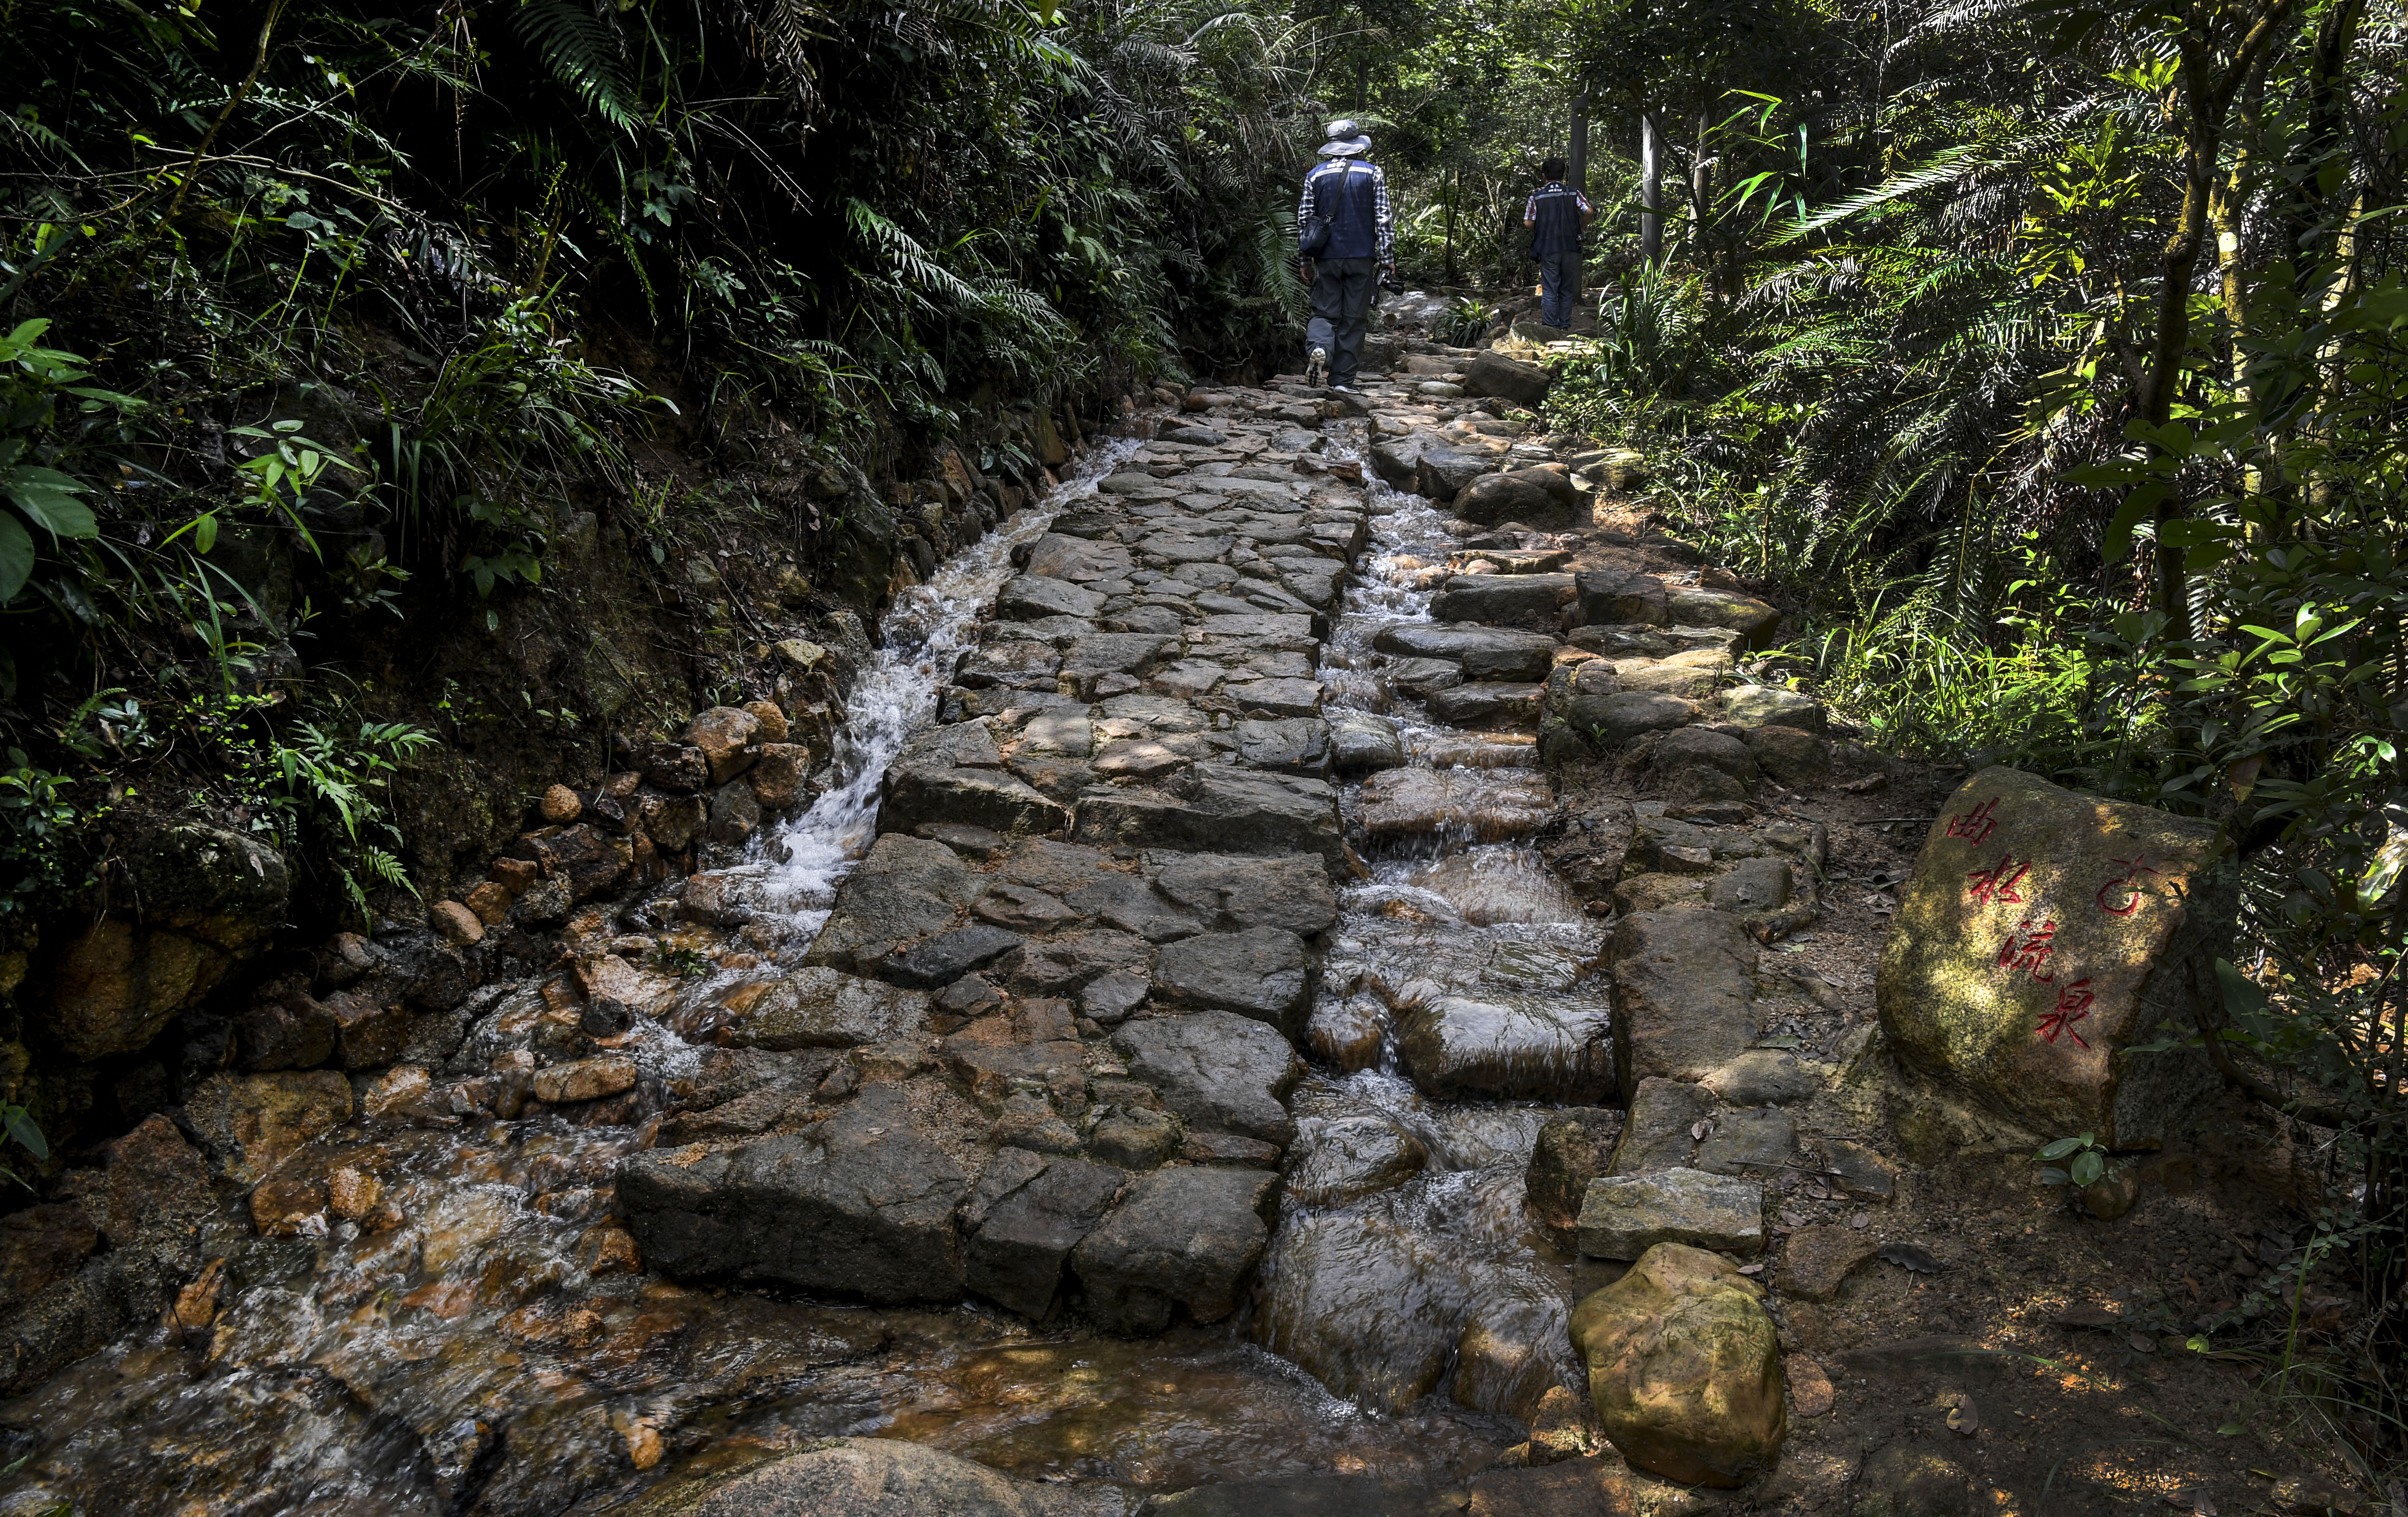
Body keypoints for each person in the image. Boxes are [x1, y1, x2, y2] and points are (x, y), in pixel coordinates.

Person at [1296, 118, 1394, 390]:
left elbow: (1305, 220)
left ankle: (1320, 349)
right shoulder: (1372, 173)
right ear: (1357, 146)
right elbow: (1383, 218)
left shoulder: (1315, 175)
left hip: (1326, 256)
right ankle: (1342, 381)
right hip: (1362, 255)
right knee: (1354, 319)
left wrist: (1304, 260)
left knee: (1324, 312)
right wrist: (1387, 258)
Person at [1523, 157, 1594, 330]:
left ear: (1544, 175)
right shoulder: (1573, 193)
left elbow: (1528, 223)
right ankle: (1565, 326)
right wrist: (1581, 229)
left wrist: (1543, 230)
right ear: (1563, 175)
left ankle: (1549, 328)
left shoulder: (1537, 197)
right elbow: (1589, 212)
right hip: (1571, 246)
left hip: (1548, 248)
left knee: (1549, 288)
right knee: (1566, 289)